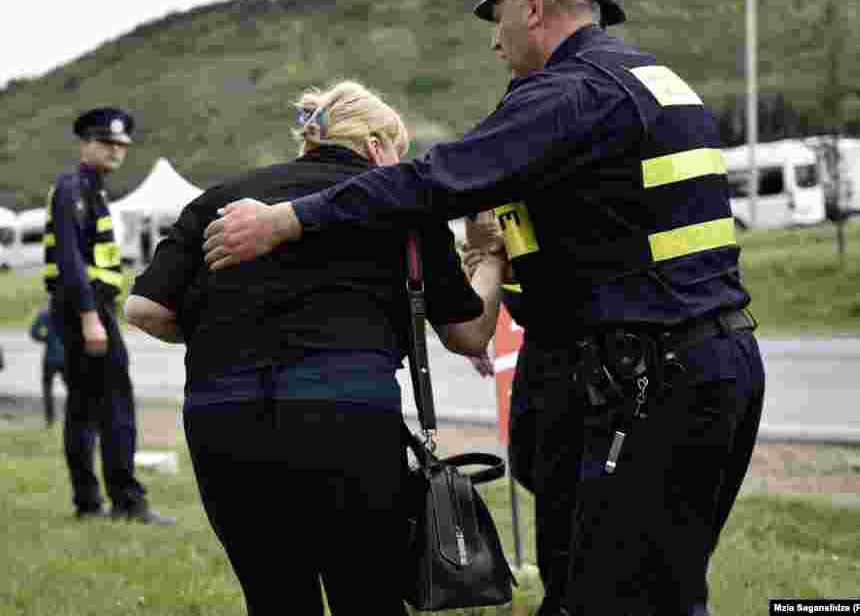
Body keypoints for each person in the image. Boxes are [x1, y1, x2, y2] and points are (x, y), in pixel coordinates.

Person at [199, 0, 767, 615]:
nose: (495, 42)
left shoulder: (571, 92)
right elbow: (614, 235)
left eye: (497, 18)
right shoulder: (649, 80)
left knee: (620, 596)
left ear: (533, 7)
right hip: (700, 361)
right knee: (637, 584)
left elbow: (434, 180)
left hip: (651, 379)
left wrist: (288, 220)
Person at [124, 81, 506, 615]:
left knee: (275, 597)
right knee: (366, 594)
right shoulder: (403, 204)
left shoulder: (218, 200)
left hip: (223, 419)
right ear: (376, 145)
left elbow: (144, 309)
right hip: (344, 415)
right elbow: (468, 333)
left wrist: (227, 331)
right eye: (397, 152)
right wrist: (490, 260)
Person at [43, 106, 174, 525]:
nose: (116, 150)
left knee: (83, 407)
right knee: (115, 404)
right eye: (106, 142)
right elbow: (70, 260)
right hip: (84, 310)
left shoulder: (92, 190)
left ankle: (88, 503)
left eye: (121, 144)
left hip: (84, 310)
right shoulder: (73, 190)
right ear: (85, 144)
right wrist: (89, 317)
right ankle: (127, 501)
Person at [29, 304, 66, 427]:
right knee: (72, 389)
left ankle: (49, 419)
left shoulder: (45, 312)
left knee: (47, 388)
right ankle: (71, 415)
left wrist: (45, 339)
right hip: (67, 357)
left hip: (50, 357)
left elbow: (33, 332)